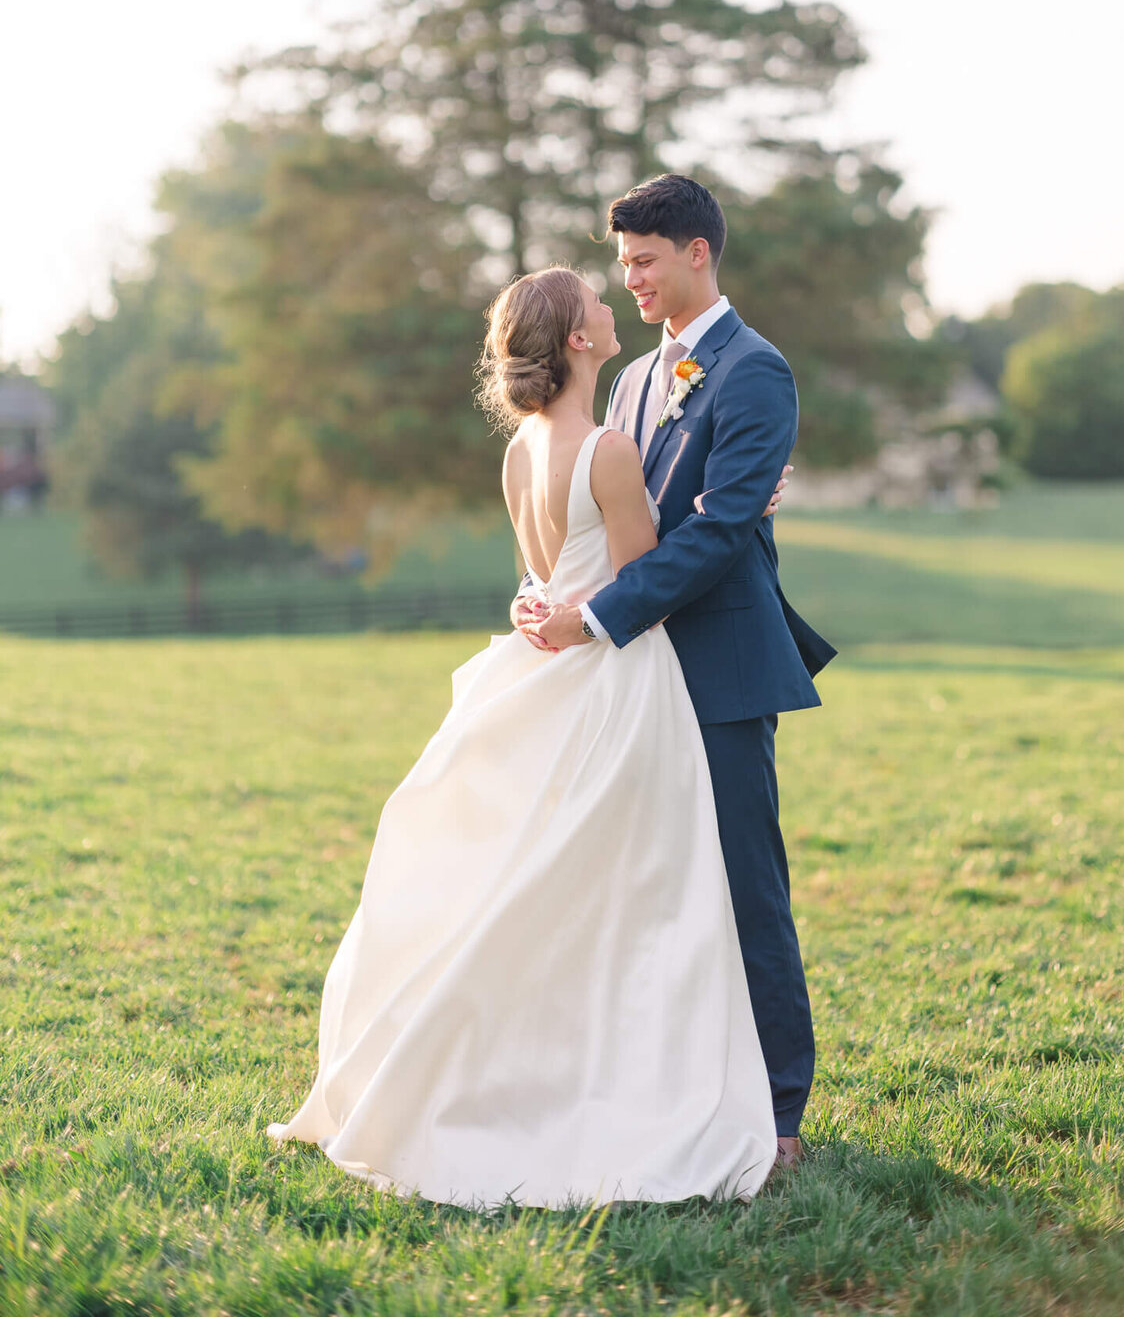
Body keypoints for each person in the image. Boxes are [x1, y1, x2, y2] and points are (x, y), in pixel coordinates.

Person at [265, 263, 780, 1209]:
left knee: (537, 884)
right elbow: (644, 580)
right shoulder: (610, 453)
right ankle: (620, 1083)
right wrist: (743, 509)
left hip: (540, 671)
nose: (611, 296)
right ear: (580, 339)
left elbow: (543, 574)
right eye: (595, 295)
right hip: (614, 683)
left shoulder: (519, 453)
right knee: (640, 895)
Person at [519, 174, 836, 1172]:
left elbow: (718, 529)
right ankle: (672, 1086)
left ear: (698, 252)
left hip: (720, 672)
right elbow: (636, 513)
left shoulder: (757, 372)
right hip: (634, 680)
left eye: (646, 261)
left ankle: (780, 1116)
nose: (634, 280)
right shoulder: (634, 379)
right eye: (624, 266)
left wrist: (600, 614)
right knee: (657, 893)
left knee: (748, 891)